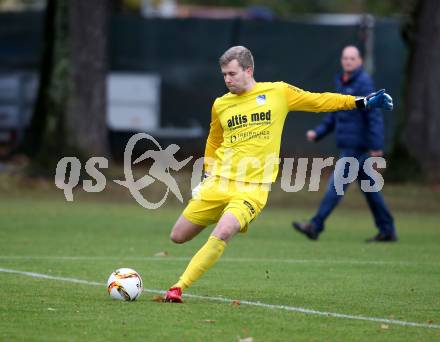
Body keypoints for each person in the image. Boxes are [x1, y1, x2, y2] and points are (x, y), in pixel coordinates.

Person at [164, 45, 393, 303]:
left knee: (224, 231)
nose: (227, 79)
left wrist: (361, 101)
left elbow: (319, 101)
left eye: (232, 73)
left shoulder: (277, 92)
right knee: (178, 236)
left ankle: (178, 287)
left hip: (253, 188)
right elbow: (214, 141)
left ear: (248, 70)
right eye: (224, 75)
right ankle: (219, 211)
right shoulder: (220, 104)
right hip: (219, 182)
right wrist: (207, 173)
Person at [292, 45, 397, 243]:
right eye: (345, 58)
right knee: (370, 189)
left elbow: (374, 115)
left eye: (352, 58)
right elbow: (336, 112)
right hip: (350, 145)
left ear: (359, 61)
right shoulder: (343, 81)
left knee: (336, 186)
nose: (348, 61)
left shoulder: (363, 83)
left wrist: (376, 145)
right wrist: (319, 132)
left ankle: (315, 225)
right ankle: (387, 229)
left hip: (356, 147)